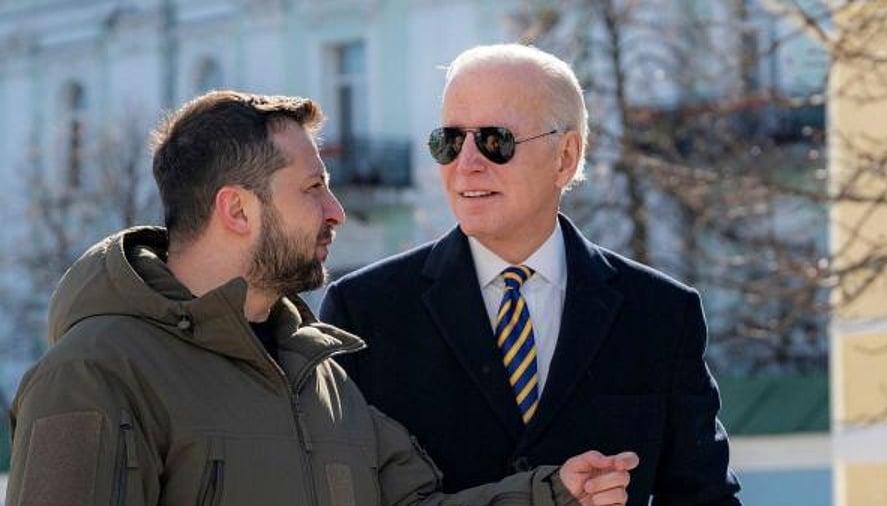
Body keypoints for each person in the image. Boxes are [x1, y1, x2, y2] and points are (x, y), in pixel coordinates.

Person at [5, 90, 639, 506]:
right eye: (313, 188)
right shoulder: (96, 372)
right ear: (237, 209)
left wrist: (552, 495)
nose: (335, 210)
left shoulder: (319, 376)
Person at [320, 44, 742, 505]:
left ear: (565, 156)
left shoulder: (661, 313)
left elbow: (706, 497)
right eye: (450, 141)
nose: (467, 163)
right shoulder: (364, 311)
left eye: (495, 140)